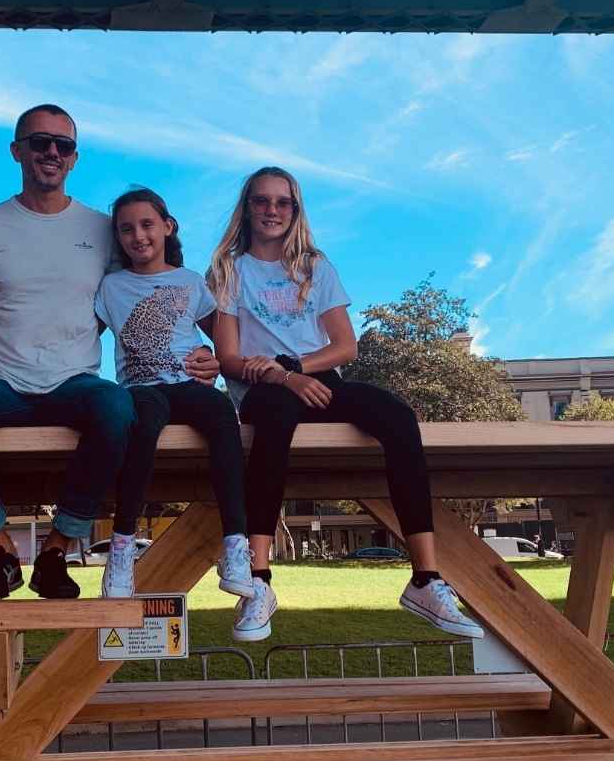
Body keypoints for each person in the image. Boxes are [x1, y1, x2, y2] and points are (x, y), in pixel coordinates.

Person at [0, 104, 218, 600]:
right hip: (1, 384)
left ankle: (57, 550)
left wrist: (211, 353)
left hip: (75, 382)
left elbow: (158, 285)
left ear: (75, 158)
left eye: (64, 145)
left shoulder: (105, 229)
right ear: (18, 151)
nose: (52, 152)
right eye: (40, 142)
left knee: (118, 405)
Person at [207, 166, 484, 642]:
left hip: (315, 378)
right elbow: (228, 358)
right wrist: (282, 376)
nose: (272, 210)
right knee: (274, 417)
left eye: (283, 202)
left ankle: (425, 578)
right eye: (261, 201)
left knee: (395, 415)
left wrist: (297, 368)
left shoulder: (315, 267)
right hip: (265, 389)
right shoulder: (230, 270)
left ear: (295, 210)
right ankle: (258, 581)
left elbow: (344, 347)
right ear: (247, 207)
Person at [93, 188, 254, 612]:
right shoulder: (111, 287)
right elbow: (81, 335)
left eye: (147, 224)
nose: (138, 235)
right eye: (126, 229)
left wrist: (216, 359)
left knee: (222, 413)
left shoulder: (189, 281)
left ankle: (236, 546)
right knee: (142, 425)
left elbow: (222, 330)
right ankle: (123, 548)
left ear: (167, 227)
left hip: (188, 383)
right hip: (140, 390)